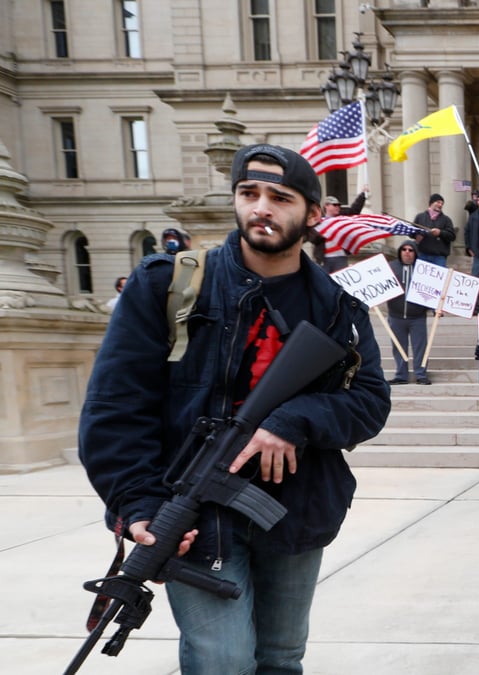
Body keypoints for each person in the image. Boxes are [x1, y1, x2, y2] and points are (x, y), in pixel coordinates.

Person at [78, 143, 391, 674]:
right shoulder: (169, 284)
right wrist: (140, 505)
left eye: (280, 197)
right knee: (219, 662)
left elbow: (369, 401)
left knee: (280, 658)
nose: (261, 208)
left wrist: (291, 422)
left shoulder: (338, 307)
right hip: (192, 512)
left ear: (314, 214)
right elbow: (114, 407)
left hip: (297, 509)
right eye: (249, 194)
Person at [387, 239, 432, 385]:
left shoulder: (424, 270)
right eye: (404, 249)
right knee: (398, 347)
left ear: (415, 253)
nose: (407, 252)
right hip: (396, 316)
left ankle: (421, 374)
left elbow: (432, 291)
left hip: (417, 317)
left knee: (420, 347)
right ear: (400, 252)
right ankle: (401, 375)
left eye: (410, 250)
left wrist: (435, 307)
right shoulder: (391, 267)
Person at [320, 187, 369, 273]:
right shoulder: (319, 221)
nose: (338, 207)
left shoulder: (342, 217)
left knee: (340, 283)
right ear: (326, 206)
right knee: (324, 282)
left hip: (340, 257)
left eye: (339, 205)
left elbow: (354, 210)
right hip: (324, 258)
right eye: (335, 205)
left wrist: (362, 195)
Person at [413, 192, 456, 268]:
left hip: (439, 257)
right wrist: (416, 235)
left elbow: (452, 236)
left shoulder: (446, 219)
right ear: (431, 203)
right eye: (438, 202)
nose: (440, 205)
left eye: (442, 203)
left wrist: (440, 233)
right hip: (422, 254)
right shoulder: (420, 217)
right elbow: (412, 231)